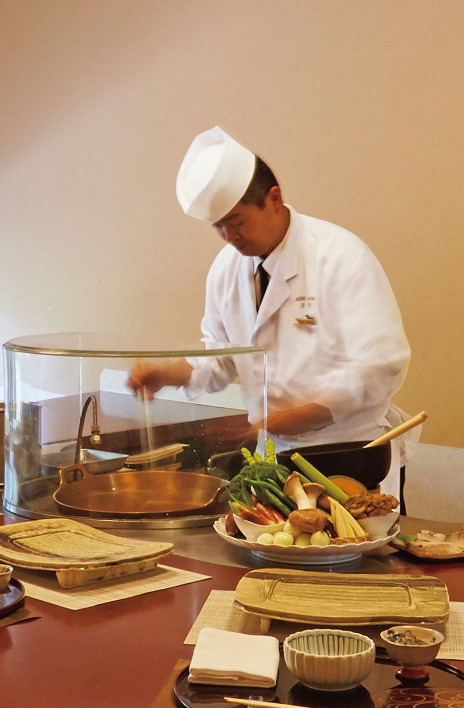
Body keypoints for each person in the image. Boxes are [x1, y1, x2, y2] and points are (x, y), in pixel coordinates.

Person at [128, 126, 413, 487]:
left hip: (350, 452)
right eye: (218, 227)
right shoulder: (225, 269)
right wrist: (168, 373)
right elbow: (221, 356)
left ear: (274, 199)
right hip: (273, 456)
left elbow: (379, 368)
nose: (230, 237)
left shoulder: (341, 256)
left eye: (237, 221)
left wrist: (290, 418)